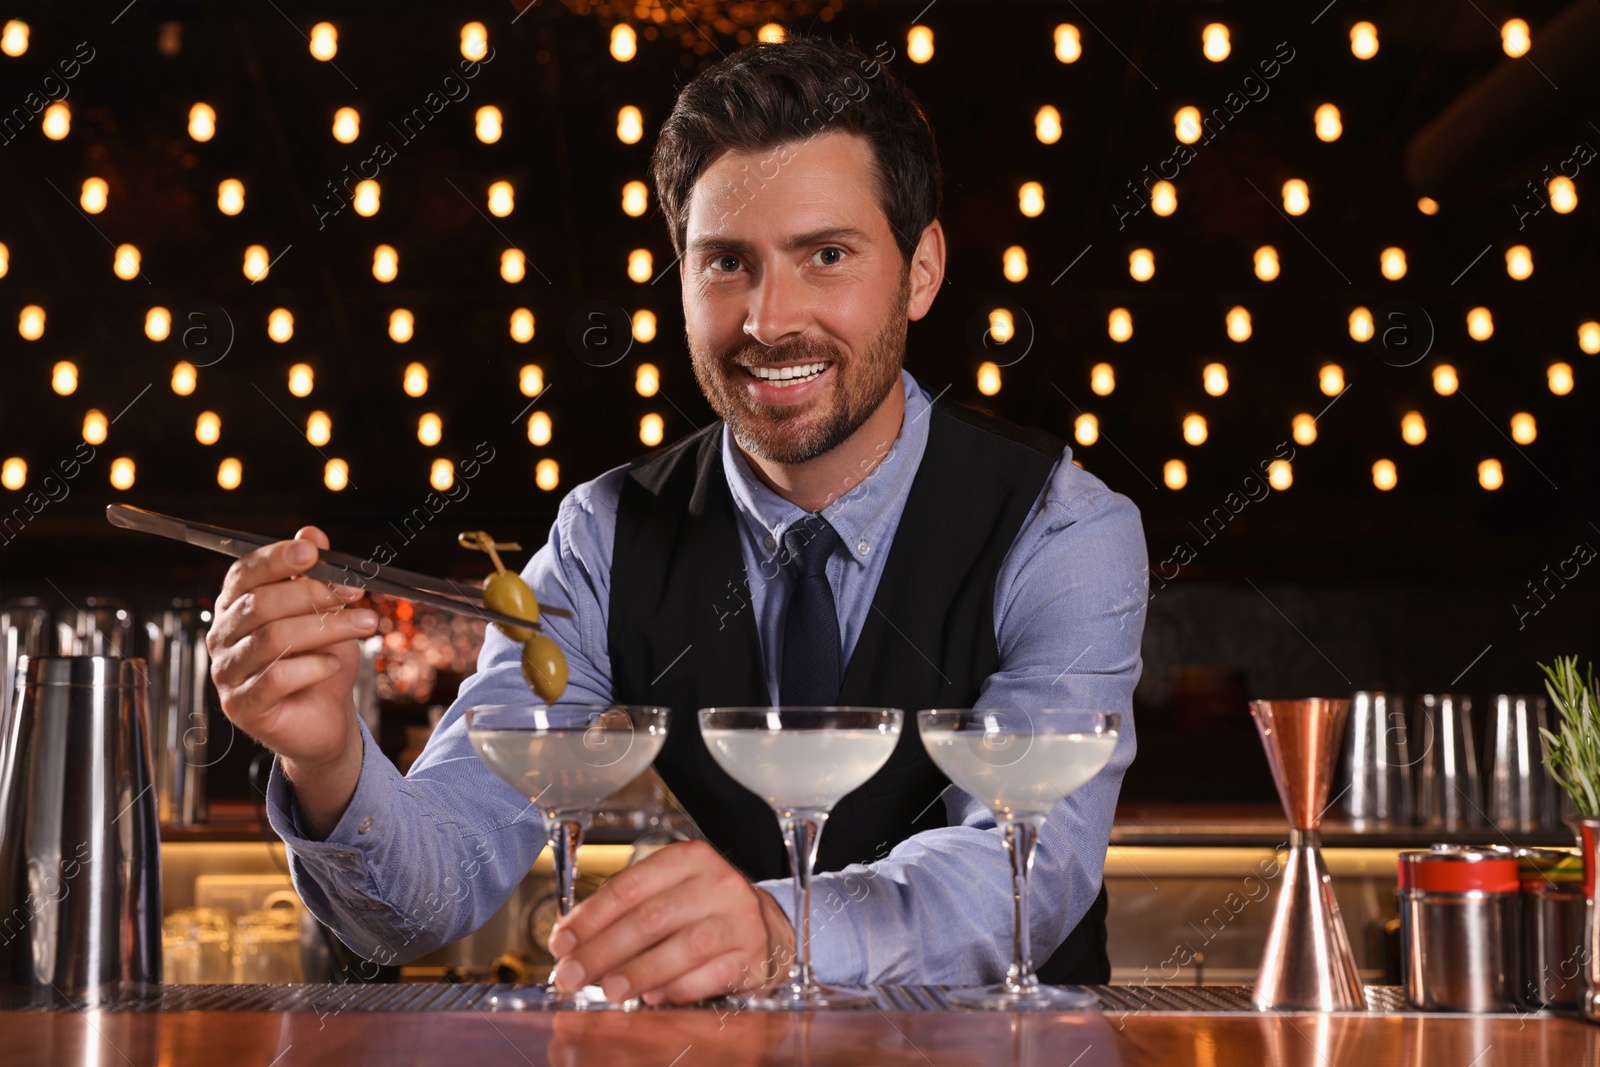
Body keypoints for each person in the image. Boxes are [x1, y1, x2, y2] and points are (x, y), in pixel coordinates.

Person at [207, 35, 1147, 1005]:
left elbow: (1028, 872)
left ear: (920, 270)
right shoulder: (607, 531)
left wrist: (784, 930)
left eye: (827, 256)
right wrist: (324, 757)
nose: (768, 319)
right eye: (726, 264)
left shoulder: (1062, 526)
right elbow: (426, 895)